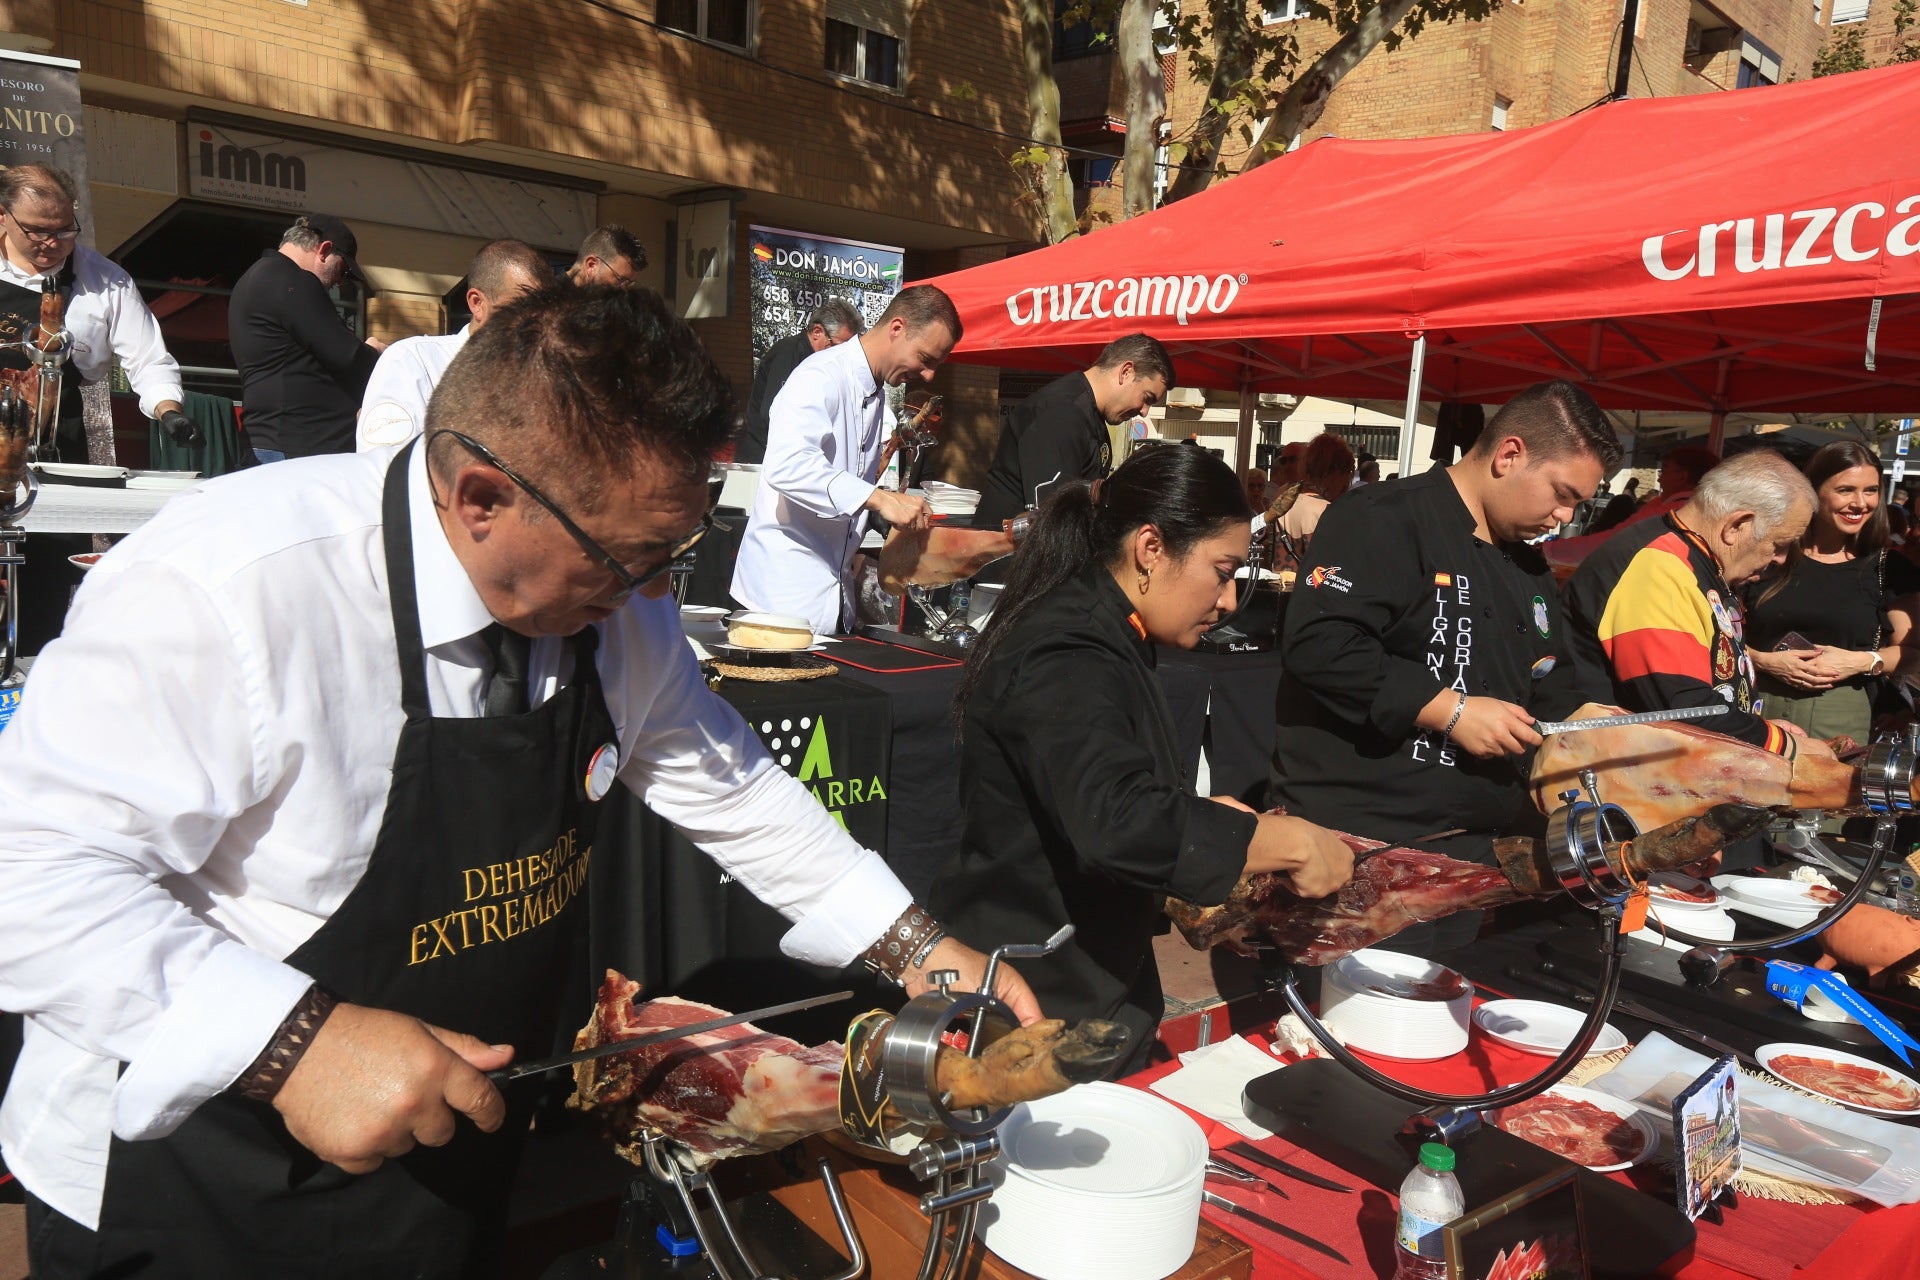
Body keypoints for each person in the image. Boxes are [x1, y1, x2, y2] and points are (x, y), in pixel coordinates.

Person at [0, 285, 1036, 1279]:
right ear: (484, 497)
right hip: (196, 1181)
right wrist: (291, 1041)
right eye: (630, 559)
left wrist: (913, 943)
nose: (651, 594)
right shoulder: (229, 588)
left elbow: (725, 777)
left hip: (447, 1158)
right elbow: (29, 873)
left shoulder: (612, 609)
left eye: (672, 556)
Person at [929, 445, 1354, 1072]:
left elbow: (1093, 788)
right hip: (1032, 997)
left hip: (1089, 978)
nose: (1230, 599)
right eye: (1222, 570)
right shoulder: (1067, 649)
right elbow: (1115, 819)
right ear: (1151, 548)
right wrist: (1279, 840)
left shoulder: (1106, 633)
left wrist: (1206, 820)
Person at [1270, 381, 1620, 955]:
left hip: (1470, 850)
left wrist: (1595, 719)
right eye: (1562, 494)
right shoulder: (1383, 516)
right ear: (1510, 455)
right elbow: (1320, 643)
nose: (1564, 517)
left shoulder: (1526, 565)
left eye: (1577, 504)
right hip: (1362, 845)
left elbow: (1546, 676)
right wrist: (1448, 710)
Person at [1562, 449, 1832, 762]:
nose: (1781, 559)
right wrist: (1781, 744)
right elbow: (1685, 709)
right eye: (1779, 544)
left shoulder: (1693, 558)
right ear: (1736, 526)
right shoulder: (1657, 567)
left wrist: (1757, 727)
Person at [730, 284, 958, 634]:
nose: (928, 375)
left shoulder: (877, 393)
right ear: (897, 329)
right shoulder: (821, 374)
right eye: (926, 359)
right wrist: (880, 500)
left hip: (830, 598)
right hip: (780, 601)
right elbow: (788, 465)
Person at [0, 165, 192, 450]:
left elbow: (148, 360)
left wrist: (169, 411)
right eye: (38, 231)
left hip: (56, 437)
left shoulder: (107, 280)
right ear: (3, 216)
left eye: (65, 230)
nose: (53, 243)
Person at [1742, 442, 1920, 744]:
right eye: (1846, 490)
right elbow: (1719, 634)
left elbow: (1913, 655)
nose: (1860, 503)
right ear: (1813, 491)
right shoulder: (1771, 555)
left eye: (1871, 490)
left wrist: (1860, 661)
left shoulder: (1890, 569)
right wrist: (1763, 661)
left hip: (1841, 721)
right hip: (1757, 712)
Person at [356, 240, 553, 450]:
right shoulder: (413, 362)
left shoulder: (548, 375)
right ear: (477, 303)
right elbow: (387, 467)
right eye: (525, 308)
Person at [970, 333, 1174, 530]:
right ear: (1126, 372)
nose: (1145, 412)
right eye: (1147, 398)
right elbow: (1052, 517)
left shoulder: (1091, 414)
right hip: (1001, 556)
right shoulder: (1061, 411)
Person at [228, 212, 385, 461]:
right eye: (343, 271)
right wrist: (377, 351)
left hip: (281, 442)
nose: (337, 282)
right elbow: (349, 357)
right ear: (323, 250)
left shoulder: (260, 278)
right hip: (298, 448)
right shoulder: (293, 282)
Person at [735, 298, 866, 465]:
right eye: (838, 346)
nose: (842, 355)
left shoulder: (825, 363)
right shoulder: (788, 351)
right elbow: (774, 412)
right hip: (762, 459)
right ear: (818, 331)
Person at [1545, 444, 1718, 570]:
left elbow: (1610, 544)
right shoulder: (1712, 515)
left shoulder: (1669, 513)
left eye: (1664, 471)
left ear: (1682, 476)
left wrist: (1547, 551)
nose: (1659, 479)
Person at [1274, 431, 1355, 558]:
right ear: (1337, 472)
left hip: (1282, 576)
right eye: (1349, 471)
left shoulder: (1283, 504)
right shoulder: (1329, 512)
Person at [566, 224, 645, 287]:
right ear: (591, 265)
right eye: (621, 280)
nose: (625, 292)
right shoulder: (555, 300)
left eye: (629, 284)